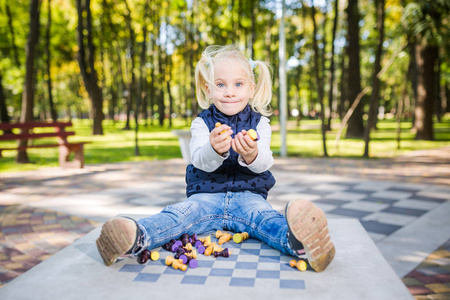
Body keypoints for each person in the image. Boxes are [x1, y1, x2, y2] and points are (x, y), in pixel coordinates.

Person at [96, 45, 335, 272]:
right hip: (205, 198)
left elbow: (266, 163)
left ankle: (300, 243)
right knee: (179, 215)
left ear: (251, 89)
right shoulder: (201, 123)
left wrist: (251, 154)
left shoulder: (261, 124)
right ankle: (136, 237)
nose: (229, 91)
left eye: (238, 84)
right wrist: (213, 149)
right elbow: (198, 160)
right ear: (209, 90)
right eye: (220, 84)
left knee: (266, 217)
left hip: (248, 197)